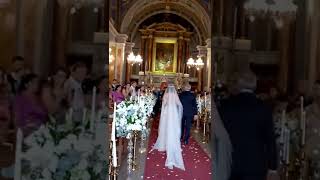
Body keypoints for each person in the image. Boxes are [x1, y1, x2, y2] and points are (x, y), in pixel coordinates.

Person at [218, 71, 278, 180]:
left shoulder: (225, 106)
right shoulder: (263, 108)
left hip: (231, 162)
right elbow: (270, 139)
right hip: (256, 164)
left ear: (238, 85)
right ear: (254, 86)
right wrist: (273, 167)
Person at [153, 84, 185, 170]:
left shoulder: (166, 94)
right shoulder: (175, 95)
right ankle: (172, 140)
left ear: (168, 89)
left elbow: (164, 104)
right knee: (173, 128)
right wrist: (178, 113)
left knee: (165, 128)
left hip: (167, 112)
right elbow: (179, 104)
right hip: (173, 112)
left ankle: (163, 143)